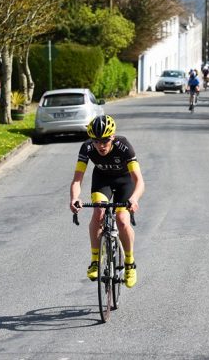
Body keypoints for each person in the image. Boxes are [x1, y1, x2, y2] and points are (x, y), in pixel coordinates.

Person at [69, 115, 145, 288]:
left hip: (125, 181)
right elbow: (77, 180)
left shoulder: (124, 146)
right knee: (98, 212)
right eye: (96, 141)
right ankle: (95, 260)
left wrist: (134, 198)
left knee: (122, 220)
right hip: (102, 180)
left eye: (104, 141)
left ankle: (130, 264)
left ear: (112, 137)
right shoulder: (87, 148)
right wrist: (74, 198)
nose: (100, 146)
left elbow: (139, 180)